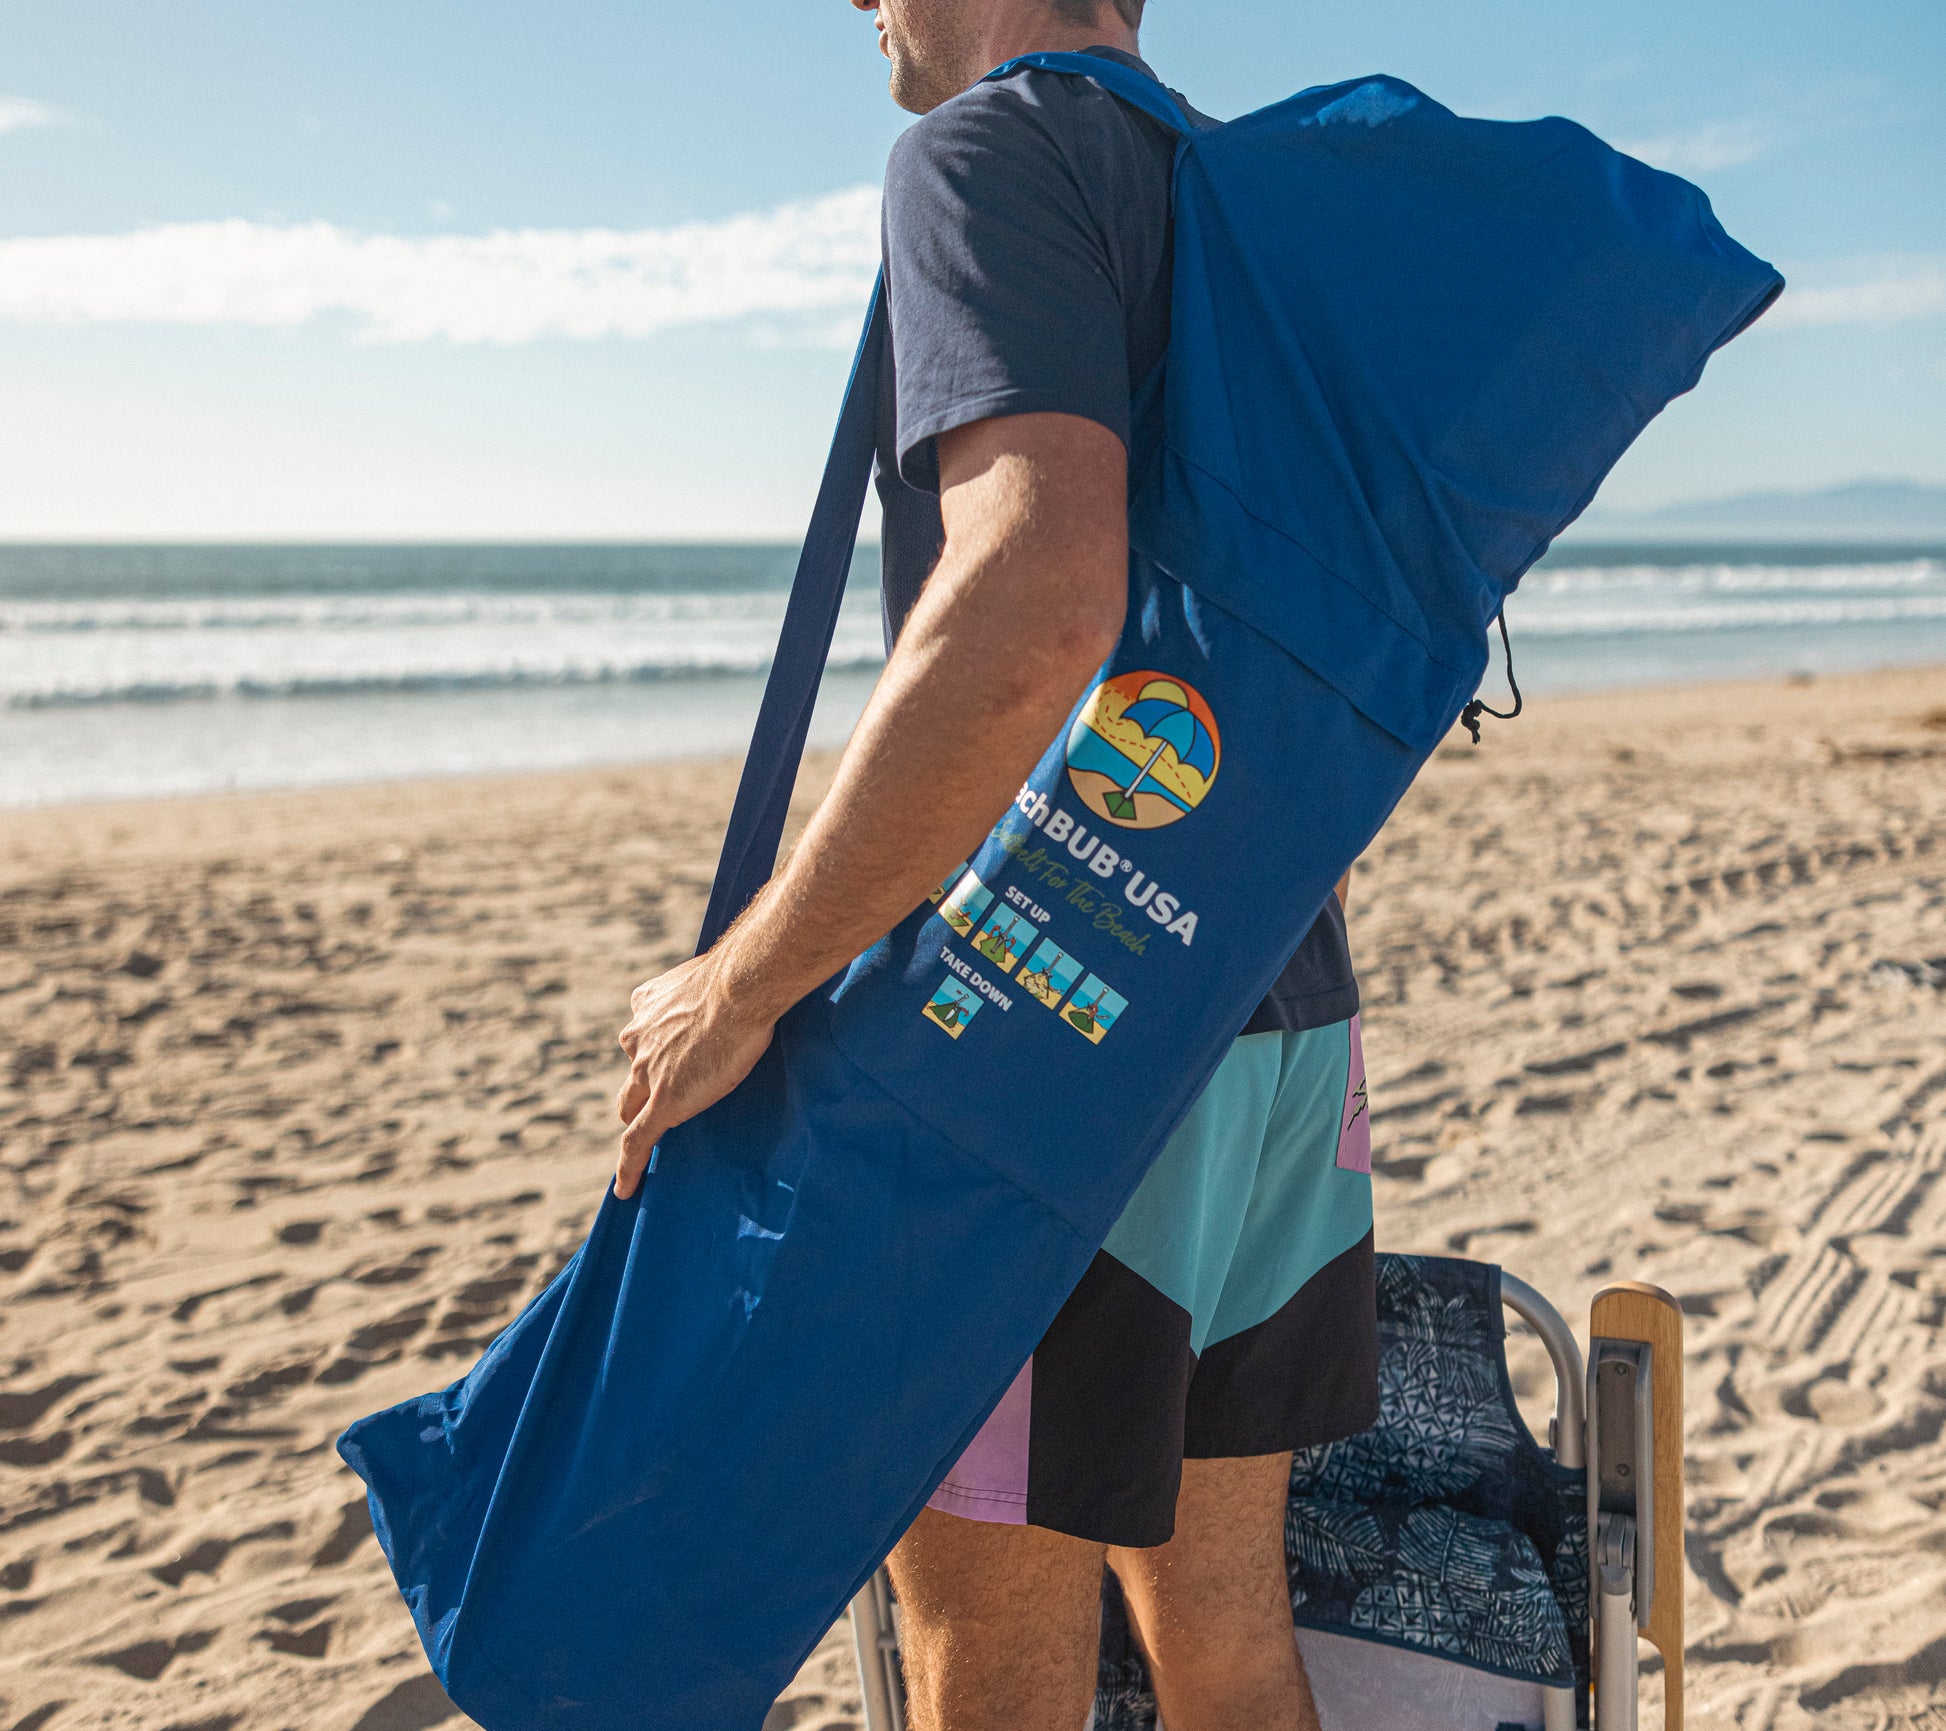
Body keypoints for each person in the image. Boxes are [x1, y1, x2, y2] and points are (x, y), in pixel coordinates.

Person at [614, 3, 1376, 1727]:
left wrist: (743, 985)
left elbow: (1034, 600)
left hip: (1054, 1043)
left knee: (997, 1656)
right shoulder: (1232, 184)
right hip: (1276, 1011)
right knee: (1229, 1639)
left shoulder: (983, 152)